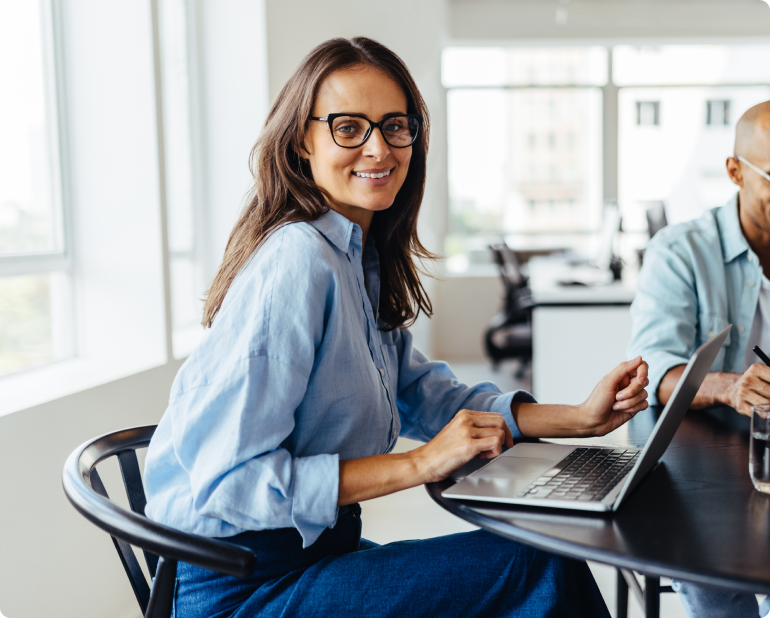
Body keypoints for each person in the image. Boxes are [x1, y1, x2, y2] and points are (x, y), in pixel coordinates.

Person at [143, 37, 649, 618]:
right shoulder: (297, 262)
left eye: (395, 125)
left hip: (313, 554)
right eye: (349, 127)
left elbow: (424, 395)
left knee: (524, 563)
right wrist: (421, 463)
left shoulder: (355, 256)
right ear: (302, 141)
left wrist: (580, 418)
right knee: (538, 564)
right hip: (244, 587)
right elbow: (228, 483)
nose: (379, 148)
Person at [628, 100, 770, 618]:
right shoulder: (680, 251)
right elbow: (657, 371)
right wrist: (731, 387)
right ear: (735, 171)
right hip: (702, 468)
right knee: (718, 585)